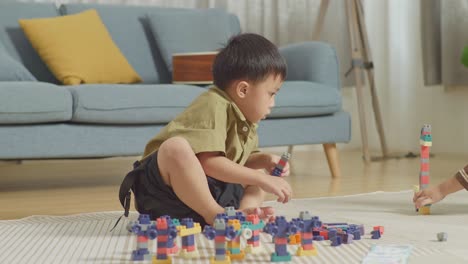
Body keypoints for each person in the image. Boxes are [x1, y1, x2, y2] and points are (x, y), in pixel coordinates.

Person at [119, 33, 292, 226]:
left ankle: (244, 213)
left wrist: (265, 160)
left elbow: (239, 162)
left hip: (202, 195)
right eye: (271, 94)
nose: (273, 103)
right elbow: (209, 163)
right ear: (243, 90)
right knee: (175, 147)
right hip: (163, 193)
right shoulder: (213, 104)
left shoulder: (247, 123)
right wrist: (261, 179)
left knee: (256, 174)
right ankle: (215, 215)